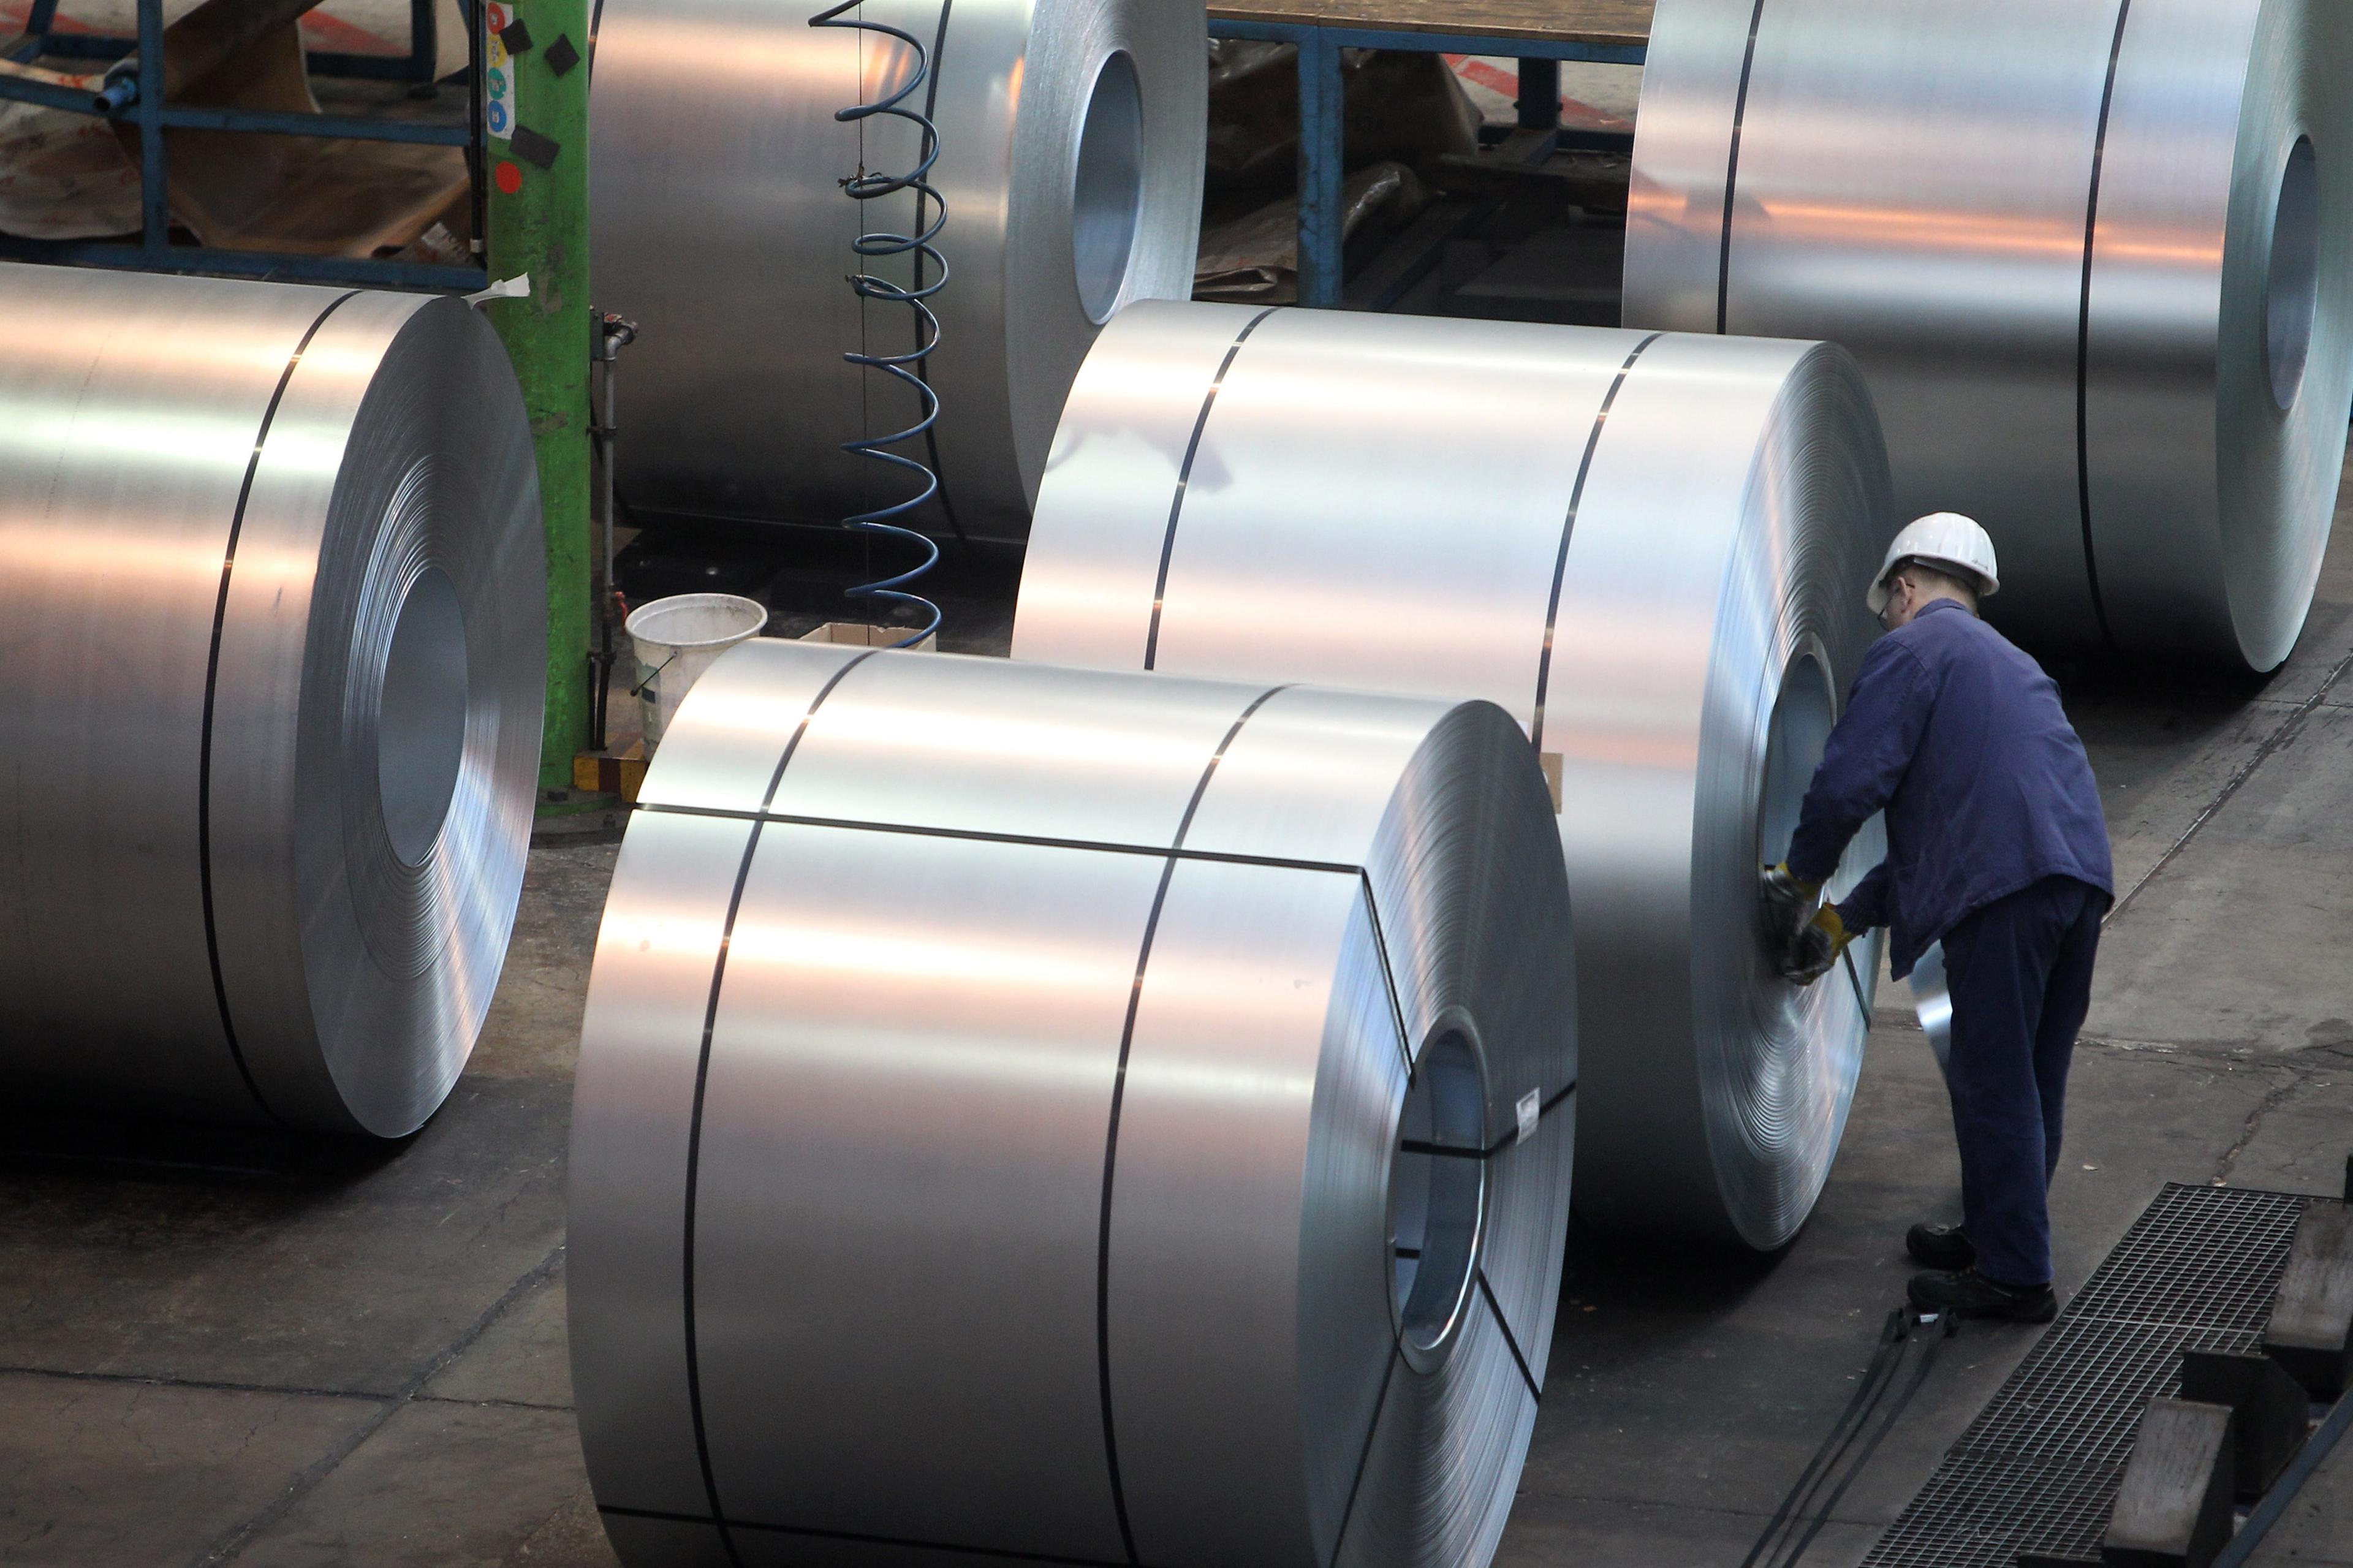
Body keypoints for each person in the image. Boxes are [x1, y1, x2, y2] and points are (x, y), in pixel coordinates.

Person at [1760, 513, 2112, 1323]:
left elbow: (1849, 780)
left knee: (1992, 1081)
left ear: (1908, 586)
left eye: (1886, 603)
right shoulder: (2011, 666)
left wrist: (1798, 877)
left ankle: (2016, 1278)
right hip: (2076, 882)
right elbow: (1947, 833)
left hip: (2005, 892)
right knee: (2032, 1076)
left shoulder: (1911, 651)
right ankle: (1997, 1235)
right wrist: (1843, 923)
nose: (1883, 620)